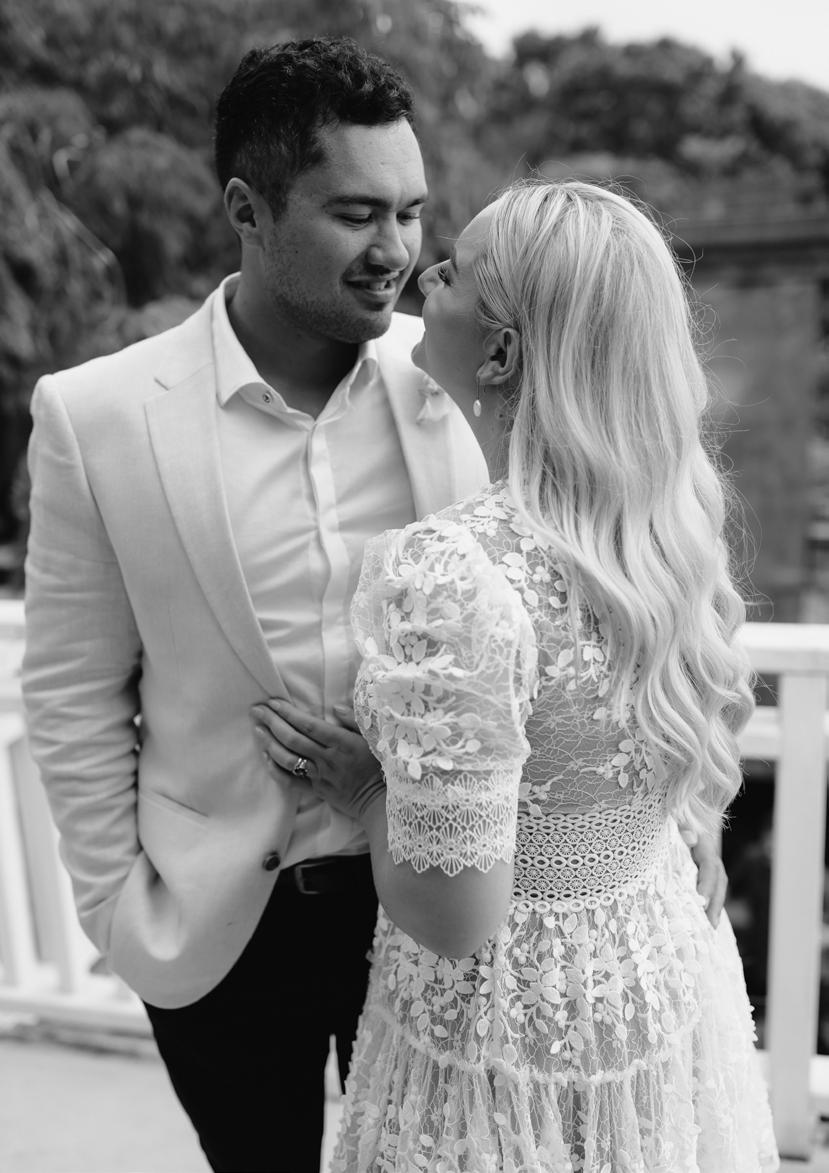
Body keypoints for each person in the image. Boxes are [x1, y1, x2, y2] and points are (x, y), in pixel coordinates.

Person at [21, 36, 725, 1173]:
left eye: (411, 212)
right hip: (220, 929)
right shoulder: (96, 415)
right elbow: (68, 690)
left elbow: (590, 601)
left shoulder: (476, 359)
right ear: (247, 209)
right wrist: (121, 909)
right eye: (355, 213)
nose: (397, 251)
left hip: (452, 926)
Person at [255, 180, 779, 1170]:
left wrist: (367, 788)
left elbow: (453, 917)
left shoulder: (452, 571)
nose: (422, 273)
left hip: (505, 1050)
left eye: (452, 271)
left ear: (499, 354)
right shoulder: (658, 531)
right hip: (654, 989)